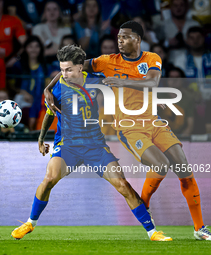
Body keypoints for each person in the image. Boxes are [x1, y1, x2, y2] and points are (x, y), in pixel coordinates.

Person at [45, 20, 211, 240]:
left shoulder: (152, 59)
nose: (120, 41)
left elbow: (152, 83)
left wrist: (123, 83)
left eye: (125, 37)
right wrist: (48, 88)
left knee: (184, 170)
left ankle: (200, 228)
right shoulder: (106, 61)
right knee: (161, 166)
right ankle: (145, 204)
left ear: (138, 39)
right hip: (129, 127)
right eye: (118, 37)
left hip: (154, 122)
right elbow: (72, 66)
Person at [11, 44, 172, 242]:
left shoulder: (97, 83)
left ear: (80, 67)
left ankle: (153, 232)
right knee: (50, 178)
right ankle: (30, 223)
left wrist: (151, 99)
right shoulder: (58, 88)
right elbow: (49, 114)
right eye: (62, 69)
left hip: (95, 145)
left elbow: (126, 92)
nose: (64, 74)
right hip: (67, 145)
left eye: (68, 69)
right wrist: (41, 138)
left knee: (122, 184)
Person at [171, 26, 211, 133]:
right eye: (192, 38)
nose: (195, 41)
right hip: (190, 99)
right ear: (187, 40)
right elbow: (177, 83)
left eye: (198, 37)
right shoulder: (180, 60)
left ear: (204, 39)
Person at [9, 36, 49, 130]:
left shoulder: (45, 66)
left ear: (40, 49)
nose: (33, 49)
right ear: (25, 48)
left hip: (40, 100)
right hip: (23, 100)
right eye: (30, 46)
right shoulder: (18, 65)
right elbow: (11, 86)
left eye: (36, 46)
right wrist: (22, 92)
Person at [158, 67, 195, 136]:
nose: (174, 80)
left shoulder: (188, 98)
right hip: (161, 137)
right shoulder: (158, 96)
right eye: (171, 77)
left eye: (177, 77)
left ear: (182, 80)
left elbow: (190, 126)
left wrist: (179, 142)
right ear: (166, 80)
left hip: (181, 138)